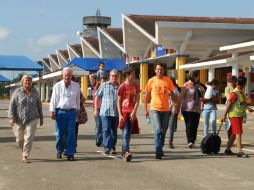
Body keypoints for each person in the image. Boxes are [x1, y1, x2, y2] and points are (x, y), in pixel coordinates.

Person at [145, 63, 177, 159]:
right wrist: (146, 108)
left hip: (166, 109)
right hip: (155, 109)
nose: (160, 71)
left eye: (161, 69)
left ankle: (160, 147)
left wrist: (174, 105)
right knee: (158, 130)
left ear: (164, 70)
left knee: (163, 130)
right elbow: (146, 96)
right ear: (155, 70)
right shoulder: (151, 81)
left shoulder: (168, 81)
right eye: (158, 69)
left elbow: (173, 94)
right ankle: (158, 151)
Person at [8, 75, 43, 163]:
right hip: (18, 118)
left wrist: (41, 117)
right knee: (19, 139)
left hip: (32, 118)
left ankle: (25, 155)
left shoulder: (35, 92)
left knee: (29, 137)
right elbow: (12, 105)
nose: (27, 82)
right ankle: (23, 151)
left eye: (29, 81)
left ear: (31, 82)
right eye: (26, 81)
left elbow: (39, 105)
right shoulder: (17, 91)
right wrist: (11, 117)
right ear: (22, 82)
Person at [50, 67, 80, 161]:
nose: (67, 77)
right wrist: (52, 111)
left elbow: (77, 99)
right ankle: (59, 150)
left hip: (71, 112)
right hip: (60, 112)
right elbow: (53, 99)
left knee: (71, 133)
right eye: (65, 76)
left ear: (71, 76)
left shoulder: (76, 86)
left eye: (69, 76)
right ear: (63, 76)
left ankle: (70, 153)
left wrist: (78, 110)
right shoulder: (57, 86)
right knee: (60, 133)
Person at [222, 76, 253, 158]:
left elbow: (242, 104)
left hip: (239, 116)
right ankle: (239, 151)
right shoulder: (234, 93)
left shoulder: (241, 93)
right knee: (238, 133)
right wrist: (224, 115)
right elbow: (229, 103)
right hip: (234, 116)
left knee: (234, 133)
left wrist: (248, 108)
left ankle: (228, 149)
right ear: (243, 83)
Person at [117, 67, 141, 161]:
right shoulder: (122, 86)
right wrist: (119, 114)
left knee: (128, 133)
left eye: (135, 74)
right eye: (133, 74)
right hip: (124, 112)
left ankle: (124, 151)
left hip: (132, 113)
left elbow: (138, 100)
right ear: (127, 75)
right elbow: (118, 101)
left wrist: (134, 112)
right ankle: (126, 151)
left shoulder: (135, 86)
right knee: (125, 132)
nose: (134, 76)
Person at [177, 70, 205, 148]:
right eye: (197, 76)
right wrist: (177, 107)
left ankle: (193, 140)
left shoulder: (199, 86)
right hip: (187, 109)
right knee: (189, 125)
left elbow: (203, 95)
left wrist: (202, 91)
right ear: (195, 77)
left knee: (195, 125)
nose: (198, 78)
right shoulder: (186, 85)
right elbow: (181, 97)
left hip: (197, 109)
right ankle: (190, 140)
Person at [94, 69, 119, 155]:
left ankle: (112, 146)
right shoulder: (104, 85)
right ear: (109, 77)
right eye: (112, 76)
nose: (114, 77)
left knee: (114, 132)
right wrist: (96, 109)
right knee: (106, 130)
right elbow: (97, 96)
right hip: (105, 112)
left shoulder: (120, 87)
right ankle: (108, 147)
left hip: (116, 113)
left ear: (118, 77)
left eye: (116, 76)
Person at [89, 72, 107, 147]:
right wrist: (99, 72)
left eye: (104, 78)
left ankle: (103, 140)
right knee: (98, 124)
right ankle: (98, 139)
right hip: (97, 108)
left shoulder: (107, 86)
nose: (103, 80)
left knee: (104, 125)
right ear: (99, 80)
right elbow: (91, 76)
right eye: (102, 78)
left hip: (104, 108)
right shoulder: (95, 85)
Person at [167, 77, 180, 149]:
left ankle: (170, 142)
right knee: (164, 127)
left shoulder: (175, 89)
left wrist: (176, 107)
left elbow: (178, 98)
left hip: (172, 110)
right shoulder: (164, 88)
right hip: (164, 110)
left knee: (171, 126)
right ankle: (161, 141)